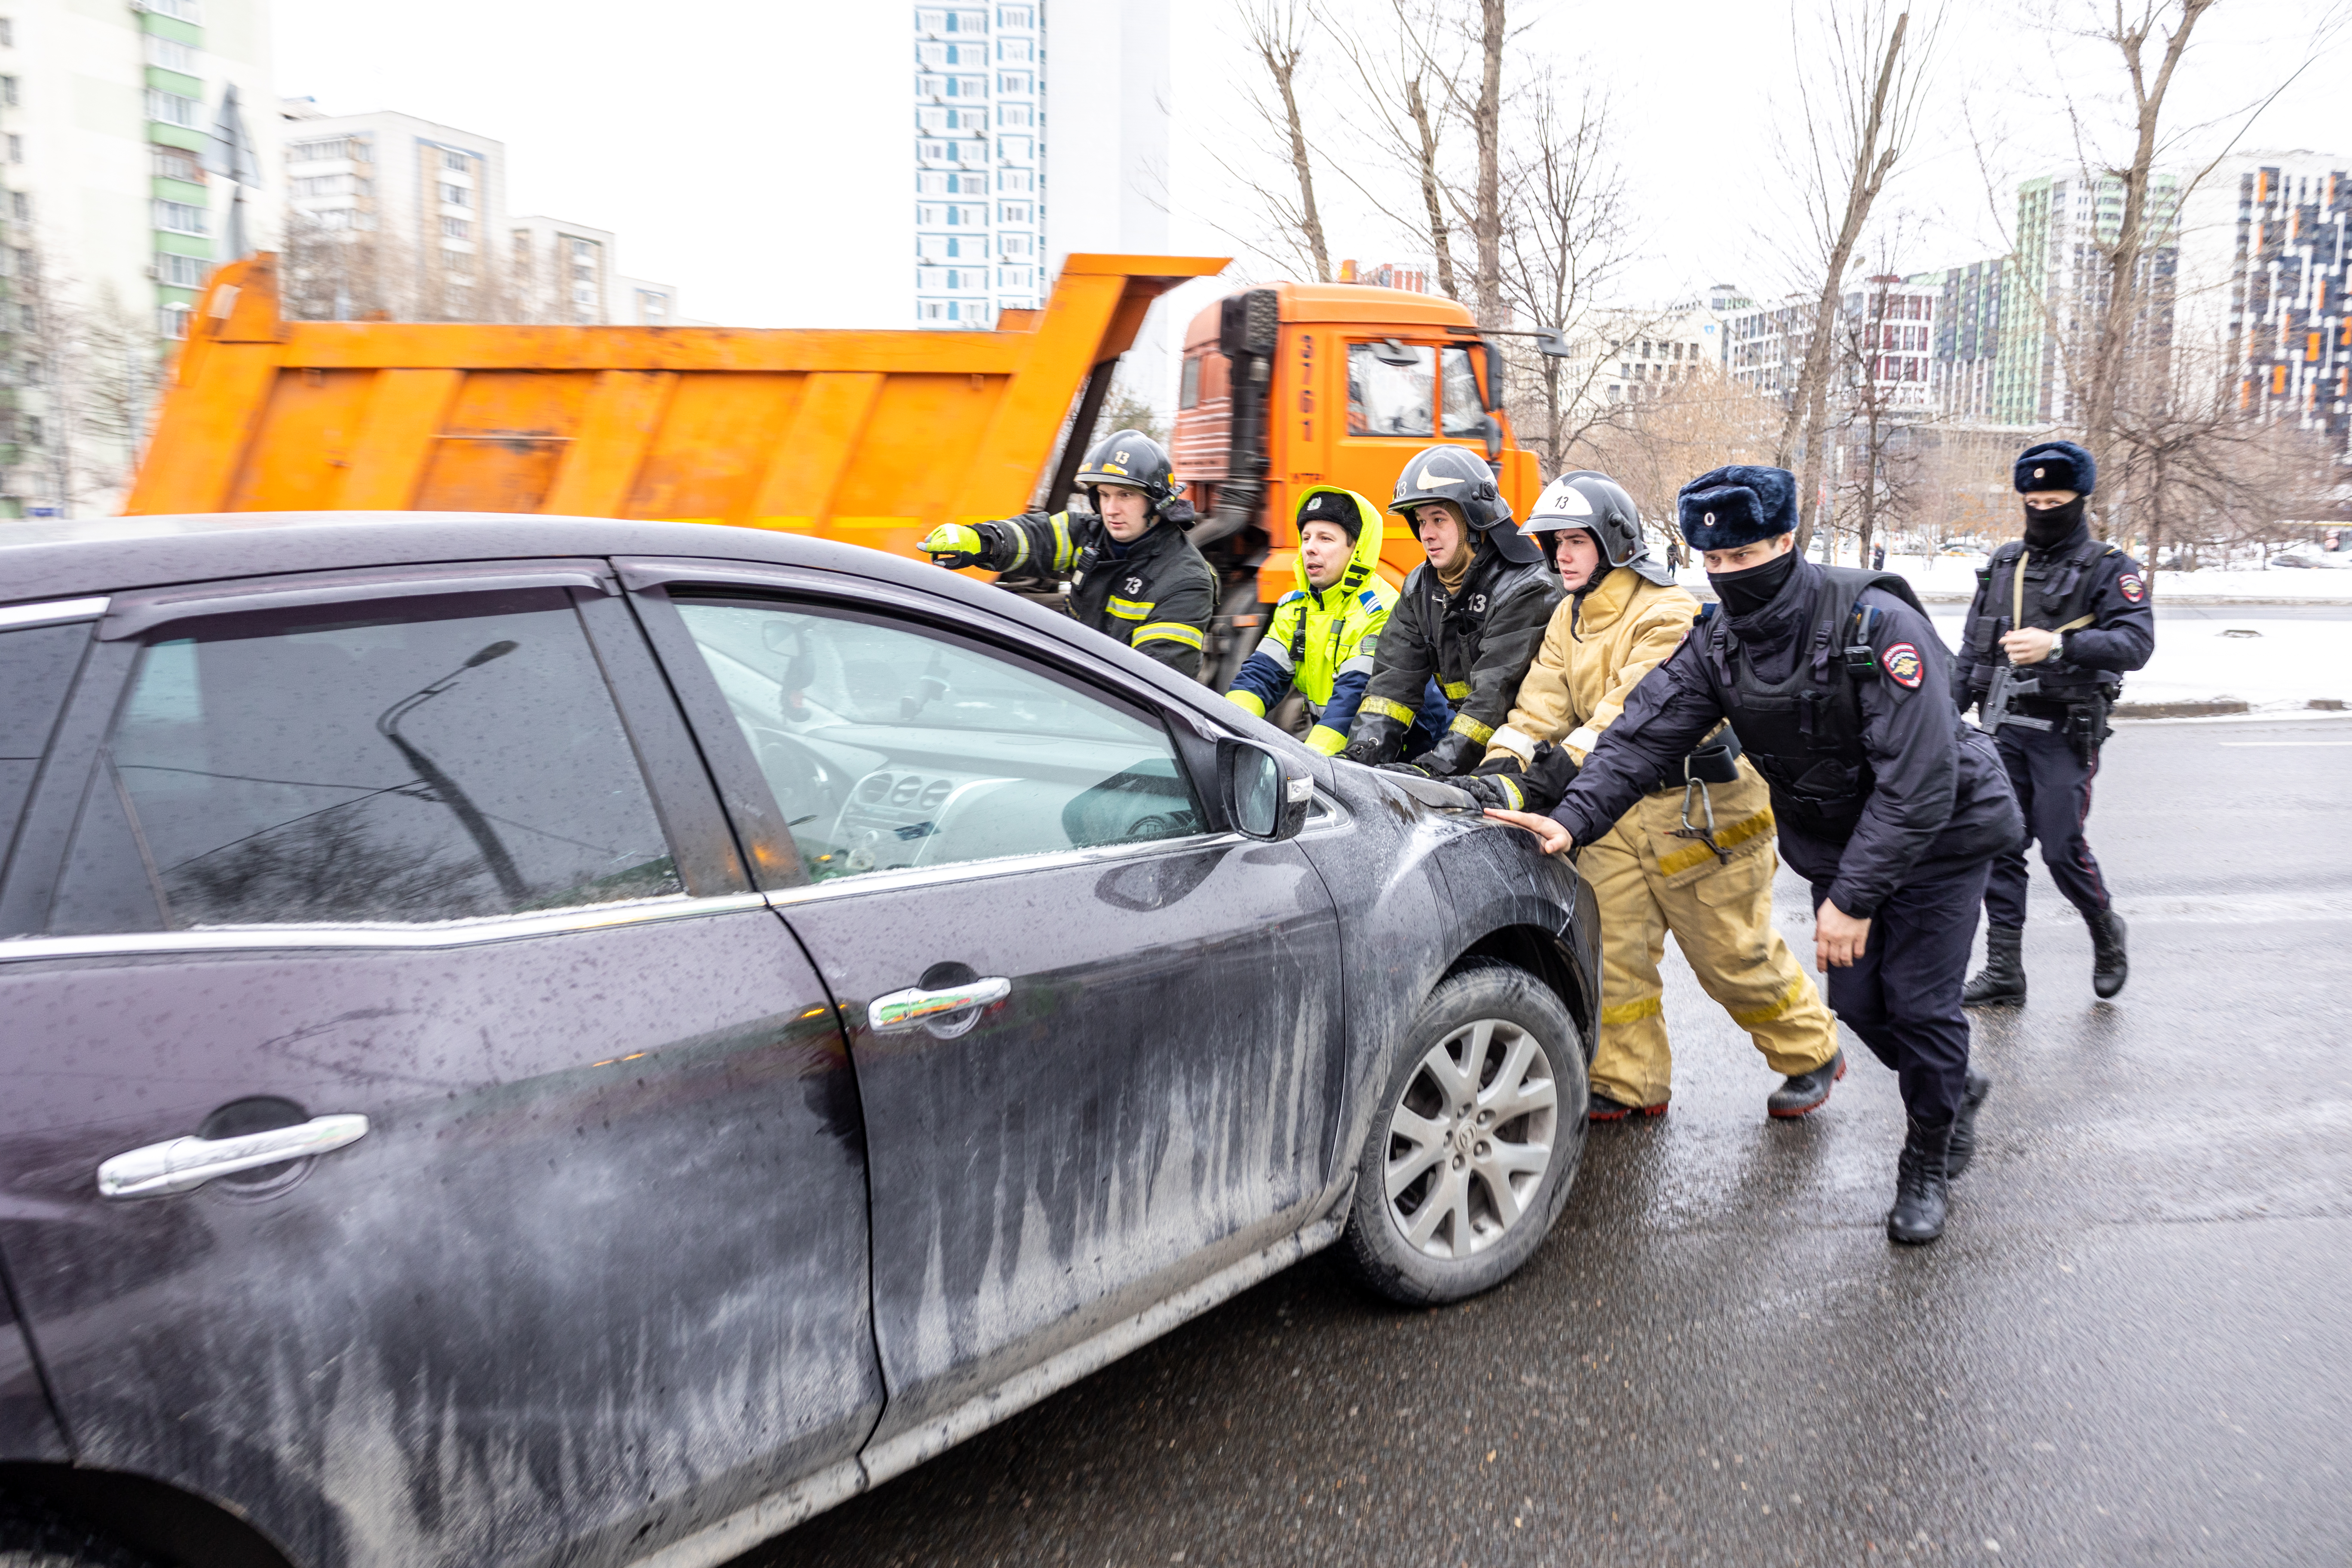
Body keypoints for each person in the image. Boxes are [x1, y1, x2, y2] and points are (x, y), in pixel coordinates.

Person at [1485, 465, 2024, 1246]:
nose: (1730, 575)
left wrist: (1853, 899)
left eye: (1746, 556)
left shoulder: (1873, 621)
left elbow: (1919, 780)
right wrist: (1572, 817)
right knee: (1862, 1007)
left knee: (1918, 1003)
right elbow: (1643, 731)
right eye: (1717, 562)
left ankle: (1927, 1159)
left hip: (1939, 836)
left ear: (1787, 540)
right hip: (1845, 840)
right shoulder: (1718, 640)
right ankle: (1950, 1085)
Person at [1454, 471, 1846, 1122]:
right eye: (1555, 544)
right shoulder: (1566, 616)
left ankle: (1811, 1051)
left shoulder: (1666, 612)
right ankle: (1629, 1080)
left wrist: (1550, 777)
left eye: (1576, 541)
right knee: (1615, 956)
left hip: (1699, 813)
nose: (1563, 557)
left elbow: (1623, 717)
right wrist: (1503, 762)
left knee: (1730, 955)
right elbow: (1539, 705)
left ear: (1614, 542)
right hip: (1614, 812)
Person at [1953, 440, 2153, 1005]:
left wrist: (2060, 646)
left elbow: (2136, 642)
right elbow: (1973, 654)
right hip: (2003, 728)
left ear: (2079, 500)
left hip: (2065, 730)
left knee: (2063, 848)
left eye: (2055, 499)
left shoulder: (2110, 568)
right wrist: (1942, 719)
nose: (2042, 509)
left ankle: (2106, 931)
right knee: (1999, 846)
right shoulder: (2003, 565)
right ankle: (2004, 970)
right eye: (2033, 500)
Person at [918, 429, 1217, 679]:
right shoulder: (1091, 534)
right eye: (1104, 494)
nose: (1111, 509)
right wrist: (984, 541)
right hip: (1077, 690)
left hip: (1121, 720)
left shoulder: (1184, 581)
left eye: (1125, 495)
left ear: (1156, 502)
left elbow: (1157, 683)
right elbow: (1038, 536)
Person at [1338, 444, 1561, 775]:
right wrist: (1361, 756)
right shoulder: (1420, 587)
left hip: (1530, 753)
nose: (1427, 535)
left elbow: (1495, 697)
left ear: (1474, 520)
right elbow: (1391, 686)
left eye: (1439, 520)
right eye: (1421, 521)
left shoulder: (1527, 588)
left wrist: (1437, 768)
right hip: (1470, 745)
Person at [1223, 486, 1450, 754]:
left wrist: (1312, 768)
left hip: (1415, 751)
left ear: (1356, 547)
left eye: (1325, 539)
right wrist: (1227, 729)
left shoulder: (1381, 612)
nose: (1310, 549)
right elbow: (1261, 675)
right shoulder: (1294, 608)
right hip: (1354, 747)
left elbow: (1353, 702)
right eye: (1306, 538)